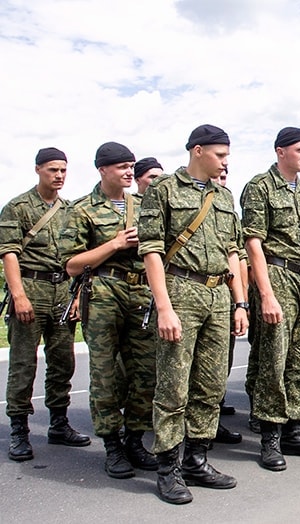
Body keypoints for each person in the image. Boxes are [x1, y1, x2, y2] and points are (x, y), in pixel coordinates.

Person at [138, 124, 248, 504]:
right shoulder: (164, 189)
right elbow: (151, 249)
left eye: (227, 155)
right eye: (220, 155)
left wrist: (240, 302)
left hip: (218, 293)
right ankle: (168, 467)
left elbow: (233, 250)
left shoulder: (224, 195)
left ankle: (197, 460)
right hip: (180, 290)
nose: (224, 162)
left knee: (211, 384)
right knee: (173, 386)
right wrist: (164, 306)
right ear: (198, 151)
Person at [60, 142, 157, 479]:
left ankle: (135, 440)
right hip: (103, 292)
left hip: (142, 292)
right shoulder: (82, 209)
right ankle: (112, 446)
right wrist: (115, 244)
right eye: (121, 167)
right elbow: (72, 265)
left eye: (131, 166)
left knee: (146, 371)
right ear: (103, 170)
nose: (129, 172)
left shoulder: (145, 205)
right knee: (104, 374)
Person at [241, 126, 300, 471]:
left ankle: (295, 429)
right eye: (299, 149)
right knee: (273, 362)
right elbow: (253, 243)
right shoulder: (260, 187)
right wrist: (265, 294)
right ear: (280, 151)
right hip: (277, 276)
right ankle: (270, 438)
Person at [1, 147, 91, 462]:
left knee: (63, 361)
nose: (59, 175)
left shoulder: (70, 210)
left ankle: (59, 423)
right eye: (53, 169)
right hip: (31, 286)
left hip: (63, 290)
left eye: (63, 170)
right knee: (24, 364)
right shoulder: (18, 207)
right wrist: (19, 295)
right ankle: (19, 430)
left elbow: (78, 258)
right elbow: (9, 252)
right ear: (38, 169)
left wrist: (77, 295)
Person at [208, 167, 243, 446]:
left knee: (218, 364)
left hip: (224, 291)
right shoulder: (171, 194)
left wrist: (240, 301)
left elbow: (236, 251)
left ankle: (211, 420)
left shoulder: (226, 202)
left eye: (225, 175)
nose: (222, 177)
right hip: (187, 292)